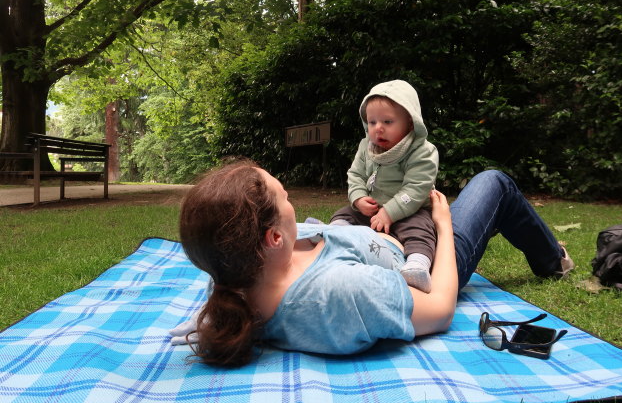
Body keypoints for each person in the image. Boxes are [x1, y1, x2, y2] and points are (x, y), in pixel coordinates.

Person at [175, 160, 574, 368]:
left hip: (374, 232)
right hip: (423, 257)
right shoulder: (342, 294)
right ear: (274, 238)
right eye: (286, 199)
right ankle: (553, 261)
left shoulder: (238, 274)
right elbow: (440, 308)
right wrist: (444, 226)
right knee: (494, 182)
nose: (292, 203)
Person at [329, 80, 439, 292]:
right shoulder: (365, 147)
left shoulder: (421, 151)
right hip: (374, 209)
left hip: (410, 210)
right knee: (344, 214)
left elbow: (417, 187)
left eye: (388, 122)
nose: (378, 128)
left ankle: (417, 265)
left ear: (410, 122)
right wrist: (359, 198)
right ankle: (334, 236)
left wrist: (390, 212)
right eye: (372, 122)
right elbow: (355, 174)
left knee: (422, 229)